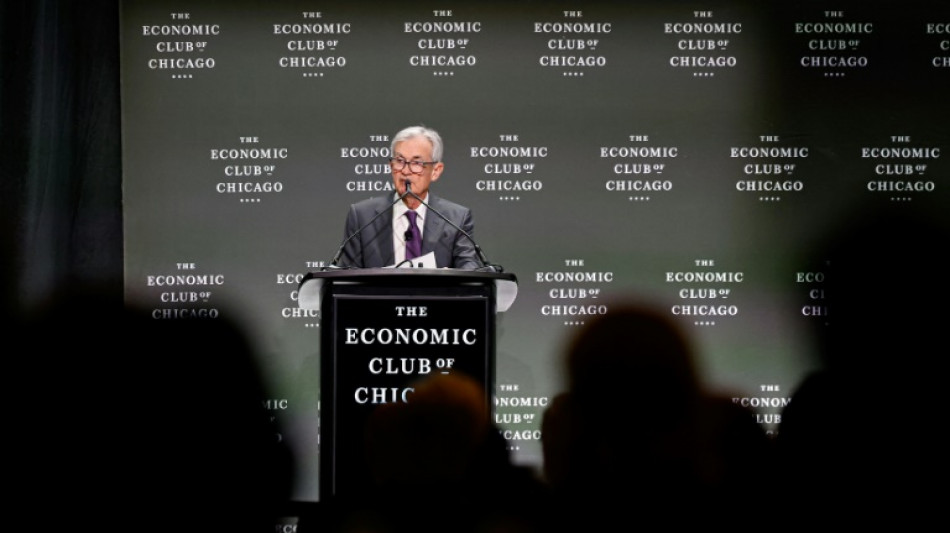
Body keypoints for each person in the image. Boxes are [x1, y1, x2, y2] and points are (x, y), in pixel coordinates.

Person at [337, 125, 481, 269]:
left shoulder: (456, 219)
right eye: (399, 161)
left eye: (417, 163)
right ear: (391, 166)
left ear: (435, 171)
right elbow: (348, 273)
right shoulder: (362, 217)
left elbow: (469, 266)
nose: (406, 171)